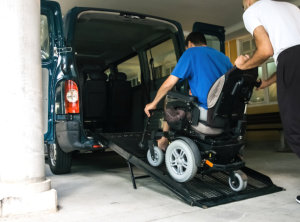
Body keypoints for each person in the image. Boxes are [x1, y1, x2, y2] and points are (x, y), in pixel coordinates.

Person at [235, 0, 300, 204]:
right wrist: (267, 82)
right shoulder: (291, 7)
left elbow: (266, 50)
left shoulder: (251, 11)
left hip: (291, 63)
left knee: (295, 130)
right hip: (291, 62)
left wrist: (243, 67)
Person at [144, 32, 233, 150]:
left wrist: (153, 103)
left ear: (190, 44)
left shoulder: (190, 53)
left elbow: (169, 84)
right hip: (224, 119)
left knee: (169, 99)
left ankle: (164, 140)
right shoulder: (223, 57)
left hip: (205, 119)